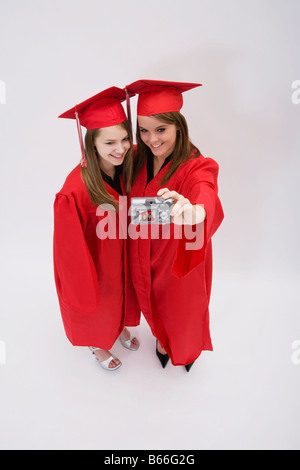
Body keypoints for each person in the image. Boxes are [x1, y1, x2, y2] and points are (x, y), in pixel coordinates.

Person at [125, 79, 224, 371]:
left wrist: (196, 212)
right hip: (144, 254)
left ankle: (185, 348)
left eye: (160, 129)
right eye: (143, 130)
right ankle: (161, 338)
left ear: (178, 125)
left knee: (181, 309)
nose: (151, 139)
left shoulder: (195, 165)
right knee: (153, 302)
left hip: (177, 257)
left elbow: (205, 188)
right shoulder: (136, 157)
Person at [53, 87, 140, 371]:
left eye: (125, 138)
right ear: (92, 144)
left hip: (122, 253)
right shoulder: (74, 191)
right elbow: (69, 253)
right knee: (101, 299)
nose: (120, 148)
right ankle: (97, 342)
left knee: (121, 294)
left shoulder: (126, 167)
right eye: (110, 143)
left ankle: (116, 329)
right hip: (96, 263)